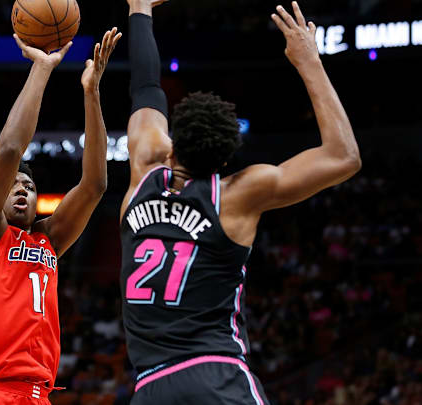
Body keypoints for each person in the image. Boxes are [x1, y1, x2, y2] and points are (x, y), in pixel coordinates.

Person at [119, 1, 361, 404]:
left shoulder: (144, 169)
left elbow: (145, 87)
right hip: (215, 375)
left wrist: (139, 8)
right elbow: (343, 157)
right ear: (226, 160)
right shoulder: (235, 194)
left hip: (150, 386)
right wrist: (308, 61)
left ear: (172, 145)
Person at [0, 29, 122, 405]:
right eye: (12, 184)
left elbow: (94, 185)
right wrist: (42, 68)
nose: (21, 188)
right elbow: (11, 148)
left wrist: (91, 92)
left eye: (28, 184)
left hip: (38, 393)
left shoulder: (49, 239)